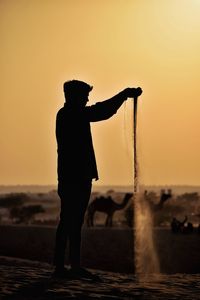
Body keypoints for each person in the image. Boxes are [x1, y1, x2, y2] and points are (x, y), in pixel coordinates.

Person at [53, 80, 142, 278]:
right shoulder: (71, 114)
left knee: (73, 222)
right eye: (84, 95)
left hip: (77, 177)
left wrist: (123, 95)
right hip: (73, 178)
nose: (87, 99)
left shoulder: (72, 114)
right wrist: (124, 94)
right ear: (74, 96)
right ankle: (62, 268)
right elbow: (101, 111)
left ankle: (71, 266)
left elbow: (100, 110)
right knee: (68, 221)